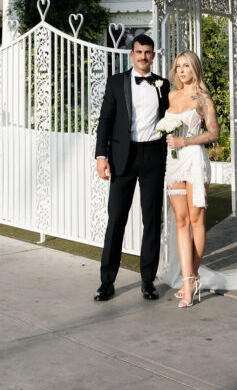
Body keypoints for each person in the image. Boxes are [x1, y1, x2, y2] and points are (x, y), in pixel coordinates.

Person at [94, 34, 170, 301]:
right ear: (131, 54)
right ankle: (106, 282)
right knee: (116, 219)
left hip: (153, 155)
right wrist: (100, 156)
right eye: (139, 52)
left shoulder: (163, 84)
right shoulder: (116, 82)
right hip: (123, 156)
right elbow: (105, 119)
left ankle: (148, 281)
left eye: (148, 52)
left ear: (153, 55)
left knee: (151, 219)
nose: (143, 57)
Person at [164, 50, 219, 308]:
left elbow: (213, 134)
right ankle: (188, 280)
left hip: (195, 160)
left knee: (197, 220)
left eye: (187, 66)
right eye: (179, 66)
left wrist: (184, 140)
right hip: (174, 163)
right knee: (181, 221)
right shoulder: (171, 96)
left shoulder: (203, 98)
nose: (182, 70)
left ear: (195, 68)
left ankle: (191, 279)